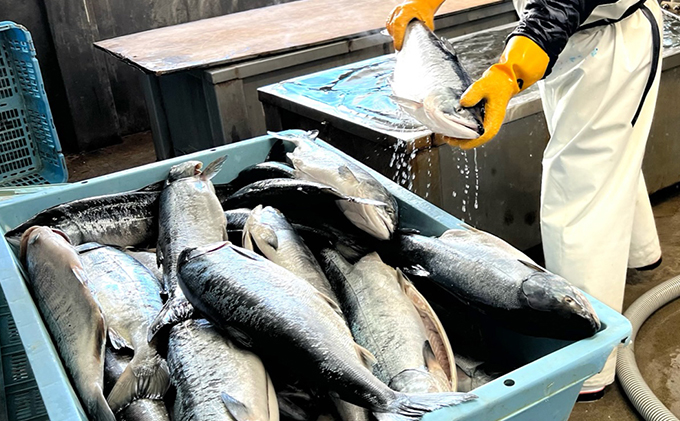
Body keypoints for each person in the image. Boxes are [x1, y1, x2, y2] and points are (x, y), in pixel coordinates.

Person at [387, 0, 663, 399]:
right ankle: (642, 255)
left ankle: (585, 365)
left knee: (579, 191)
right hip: (564, 42)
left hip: (607, 41)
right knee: (602, 152)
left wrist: (513, 68)